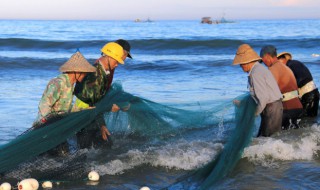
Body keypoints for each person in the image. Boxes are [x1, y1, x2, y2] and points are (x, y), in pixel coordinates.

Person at [74, 41, 131, 149]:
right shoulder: (96, 74)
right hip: (83, 115)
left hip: (91, 114)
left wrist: (102, 124)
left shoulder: (103, 71)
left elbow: (96, 100)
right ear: (109, 57)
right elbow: (92, 102)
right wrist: (109, 108)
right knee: (84, 151)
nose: (117, 64)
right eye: (116, 60)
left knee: (101, 146)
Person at [33, 51, 96, 127]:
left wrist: (83, 110)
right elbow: (44, 105)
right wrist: (48, 122)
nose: (85, 75)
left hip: (59, 123)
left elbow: (67, 109)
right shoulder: (58, 83)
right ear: (77, 72)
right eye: (84, 72)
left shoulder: (71, 85)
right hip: (45, 126)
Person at [233, 44, 283, 137]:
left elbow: (263, 98)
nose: (240, 66)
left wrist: (254, 114)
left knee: (268, 139)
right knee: (265, 138)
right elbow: (258, 95)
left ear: (246, 62)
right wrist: (243, 103)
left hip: (272, 108)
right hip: (272, 107)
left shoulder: (256, 73)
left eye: (241, 64)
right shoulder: (257, 70)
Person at [260, 45, 303, 129]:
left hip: (288, 108)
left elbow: (269, 91)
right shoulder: (285, 67)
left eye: (263, 60)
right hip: (297, 107)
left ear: (267, 57)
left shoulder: (273, 69)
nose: (264, 63)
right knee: (294, 137)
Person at [277, 52, 319, 117]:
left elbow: (299, 80)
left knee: (305, 119)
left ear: (283, 59)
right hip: (314, 92)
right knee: (312, 118)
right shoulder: (295, 63)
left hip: (308, 95)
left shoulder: (290, 66)